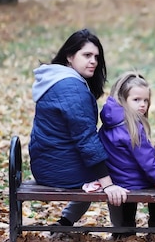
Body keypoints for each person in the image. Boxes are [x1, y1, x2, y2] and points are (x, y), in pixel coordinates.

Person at [29, 28, 128, 228]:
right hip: (60, 168)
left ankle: (65, 222)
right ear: (69, 56)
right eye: (87, 55)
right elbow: (86, 139)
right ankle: (122, 230)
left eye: (96, 57)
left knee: (102, 167)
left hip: (47, 163)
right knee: (121, 173)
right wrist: (108, 184)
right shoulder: (72, 88)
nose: (93, 61)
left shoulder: (55, 79)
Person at [99, 71, 155, 236]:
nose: (142, 105)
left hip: (117, 179)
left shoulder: (109, 122)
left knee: (132, 198)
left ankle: (126, 230)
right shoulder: (132, 128)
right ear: (123, 99)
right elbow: (148, 162)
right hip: (132, 181)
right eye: (136, 100)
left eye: (146, 100)